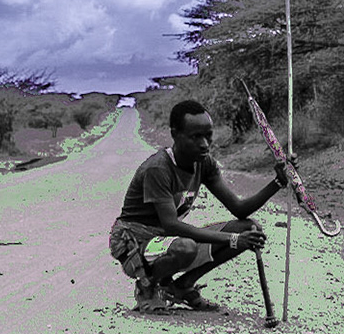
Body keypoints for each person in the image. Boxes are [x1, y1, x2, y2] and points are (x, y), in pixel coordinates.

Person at [108, 98, 290, 312]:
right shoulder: (158, 168)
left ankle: (181, 286)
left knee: (249, 228)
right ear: (175, 134)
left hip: (166, 240)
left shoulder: (204, 163)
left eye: (208, 135)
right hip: (136, 243)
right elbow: (171, 226)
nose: (204, 143)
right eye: (195, 137)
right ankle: (148, 286)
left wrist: (278, 182)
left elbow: (239, 209)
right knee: (185, 247)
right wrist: (232, 239)